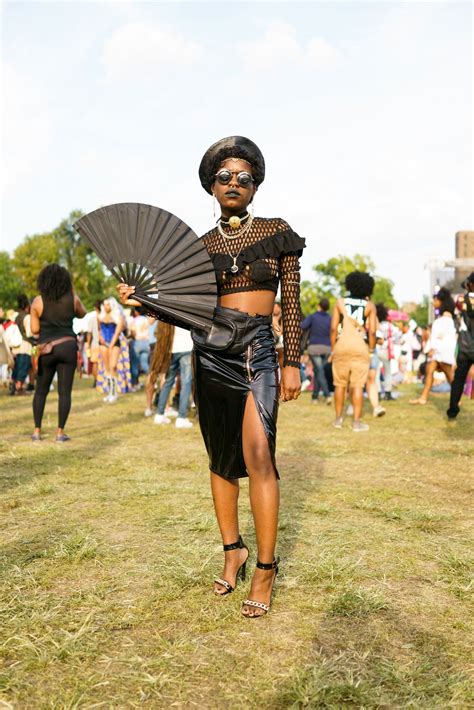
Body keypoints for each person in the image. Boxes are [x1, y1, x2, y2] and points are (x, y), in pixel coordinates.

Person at [119, 135, 305, 617]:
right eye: (225, 176)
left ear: (255, 186)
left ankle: (265, 568)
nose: (234, 183)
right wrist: (144, 302)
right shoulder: (198, 248)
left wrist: (291, 361)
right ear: (211, 186)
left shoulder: (277, 231)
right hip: (211, 354)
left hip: (259, 350)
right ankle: (233, 552)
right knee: (221, 458)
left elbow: (292, 302)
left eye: (244, 177)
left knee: (259, 451)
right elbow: (190, 314)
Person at [30, 264, 86, 442]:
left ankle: (37, 431)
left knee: (40, 391)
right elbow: (82, 314)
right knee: (64, 392)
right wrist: (71, 292)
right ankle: (60, 432)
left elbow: (34, 330)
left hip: (47, 349)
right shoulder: (73, 299)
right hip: (68, 347)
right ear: (65, 281)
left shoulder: (38, 301)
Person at [329, 271, 376, 431]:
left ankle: (338, 420)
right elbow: (373, 332)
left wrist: (333, 348)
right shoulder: (369, 306)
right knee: (357, 385)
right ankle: (356, 422)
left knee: (339, 384)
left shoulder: (340, 302)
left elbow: (333, 328)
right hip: (359, 346)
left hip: (341, 344)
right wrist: (371, 349)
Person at [410, 288, 456, 405]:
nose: (433, 302)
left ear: (441, 301)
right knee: (429, 370)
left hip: (442, 351)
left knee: (449, 375)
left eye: (435, 300)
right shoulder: (443, 318)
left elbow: (441, 336)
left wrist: (434, 348)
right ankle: (423, 397)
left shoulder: (446, 317)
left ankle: (457, 398)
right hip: (438, 351)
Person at [154, 326, 194, 429]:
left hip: (172, 349)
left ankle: (159, 414)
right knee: (186, 383)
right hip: (187, 347)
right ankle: (181, 418)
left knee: (168, 381)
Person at [447, 273, 474, 419]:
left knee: (459, 380)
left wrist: (467, 285)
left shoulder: (462, 299)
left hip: (465, 346)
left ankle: (453, 410)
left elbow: (463, 291)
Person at [96, 297, 129, 403]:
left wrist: (110, 345)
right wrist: (101, 339)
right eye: (104, 304)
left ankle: (114, 393)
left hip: (114, 343)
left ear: (112, 305)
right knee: (107, 369)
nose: (106, 306)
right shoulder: (100, 316)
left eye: (108, 304)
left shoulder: (118, 317)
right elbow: (99, 330)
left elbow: (117, 333)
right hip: (103, 344)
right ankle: (109, 392)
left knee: (113, 366)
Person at [301, 298, 332, 404]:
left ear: (319, 305)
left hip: (314, 348)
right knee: (319, 371)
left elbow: (303, 326)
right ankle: (314, 397)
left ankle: (327, 395)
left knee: (319, 371)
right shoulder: (330, 318)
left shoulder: (312, 317)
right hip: (327, 348)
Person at [375, 303, 399, 401]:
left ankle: (378, 392)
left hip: (376, 349)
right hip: (386, 350)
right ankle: (388, 392)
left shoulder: (375, 324)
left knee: (376, 372)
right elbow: (397, 336)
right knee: (388, 372)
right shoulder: (389, 326)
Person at [85, 300, 102, 387]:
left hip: (95, 344)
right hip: (104, 344)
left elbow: (89, 333)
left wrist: (87, 343)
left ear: (95, 308)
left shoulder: (92, 318)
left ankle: (96, 381)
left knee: (95, 363)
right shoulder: (105, 317)